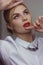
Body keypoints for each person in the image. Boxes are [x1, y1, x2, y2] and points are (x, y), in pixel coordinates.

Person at [0, 1, 43, 65]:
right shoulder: (6, 48)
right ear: (9, 26)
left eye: (26, 12)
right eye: (16, 16)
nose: (24, 18)